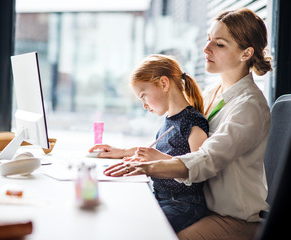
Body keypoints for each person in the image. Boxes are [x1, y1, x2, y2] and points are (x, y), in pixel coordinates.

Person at [98, 8, 272, 240]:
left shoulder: (249, 106)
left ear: (246, 53)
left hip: (232, 219)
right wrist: (125, 153)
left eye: (219, 44)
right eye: (208, 40)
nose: (206, 49)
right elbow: (177, 141)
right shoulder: (214, 93)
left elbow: (206, 159)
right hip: (204, 208)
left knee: (154, 234)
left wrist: (148, 167)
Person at [90, 54, 209, 232]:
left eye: (143, 95)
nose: (144, 105)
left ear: (163, 83)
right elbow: (157, 149)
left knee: (139, 230)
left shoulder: (192, 121)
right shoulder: (169, 120)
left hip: (184, 204)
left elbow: (200, 172)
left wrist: (158, 159)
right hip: (163, 198)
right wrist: (122, 152)